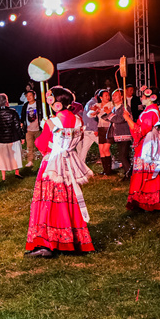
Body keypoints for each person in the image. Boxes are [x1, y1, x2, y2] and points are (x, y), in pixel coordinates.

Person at [24, 86, 95, 258]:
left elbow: (41, 144)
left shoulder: (52, 122)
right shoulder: (78, 120)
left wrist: (46, 137)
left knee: (48, 202)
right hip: (70, 163)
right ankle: (72, 238)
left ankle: (47, 243)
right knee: (69, 200)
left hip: (53, 164)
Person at [122, 87, 160, 212]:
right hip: (148, 144)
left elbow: (140, 131)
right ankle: (157, 199)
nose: (141, 98)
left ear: (152, 98)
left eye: (144, 96)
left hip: (148, 146)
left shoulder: (151, 112)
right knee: (155, 172)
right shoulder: (149, 111)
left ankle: (149, 201)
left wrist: (128, 119)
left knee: (149, 172)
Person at [101, 89, 133, 181]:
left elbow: (119, 119)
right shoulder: (116, 108)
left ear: (122, 96)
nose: (113, 97)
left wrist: (109, 114)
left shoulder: (124, 107)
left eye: (116, 95)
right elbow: (111, 118)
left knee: (123, 156)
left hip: (124, 134)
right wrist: (106, 114)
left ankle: (128, 175)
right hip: (118, 135)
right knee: (123, 156)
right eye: (113, 95)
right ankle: (128, 173)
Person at [0, 94, 24, 181]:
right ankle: (17, 173)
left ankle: (3, 177)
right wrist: (22, 136)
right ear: (6, 101)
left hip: (1, 138)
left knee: (2, 157)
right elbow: (17, 125)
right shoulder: (13, 112)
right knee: (15, 156)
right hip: (13, 137)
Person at [87, 89, 116, 175]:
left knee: (106, 149)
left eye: (108, 95)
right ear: (101, 97)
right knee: (101, 150)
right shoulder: (97, 105)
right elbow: (89, 114)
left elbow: (110, 113)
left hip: (109, 128)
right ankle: (105, 170)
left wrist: (101, 110)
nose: (108, 97)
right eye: (105, 95)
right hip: (101, 128)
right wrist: (94, 111)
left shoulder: (111, 104)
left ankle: (109, 170)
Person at [20, 90, 42, 168]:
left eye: (30, 95)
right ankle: (30, 161)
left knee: (41, 145)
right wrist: (22, 124)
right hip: (29, 129)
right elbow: (23, 117)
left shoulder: (39, 104)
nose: (29, 97)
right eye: (27, 96)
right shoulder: (25, 106)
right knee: (29, 146)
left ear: (34, 96)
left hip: (38, 129)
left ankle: (43, 160)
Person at [78, 94, 100, 165]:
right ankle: (111, 162)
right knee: (104, 146)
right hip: (92, 130)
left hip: (87, 129)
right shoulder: (93, 103)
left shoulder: (89, 102)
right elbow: (91, 117)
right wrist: (95, 129)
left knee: (84, 149)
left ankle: (80, 164)